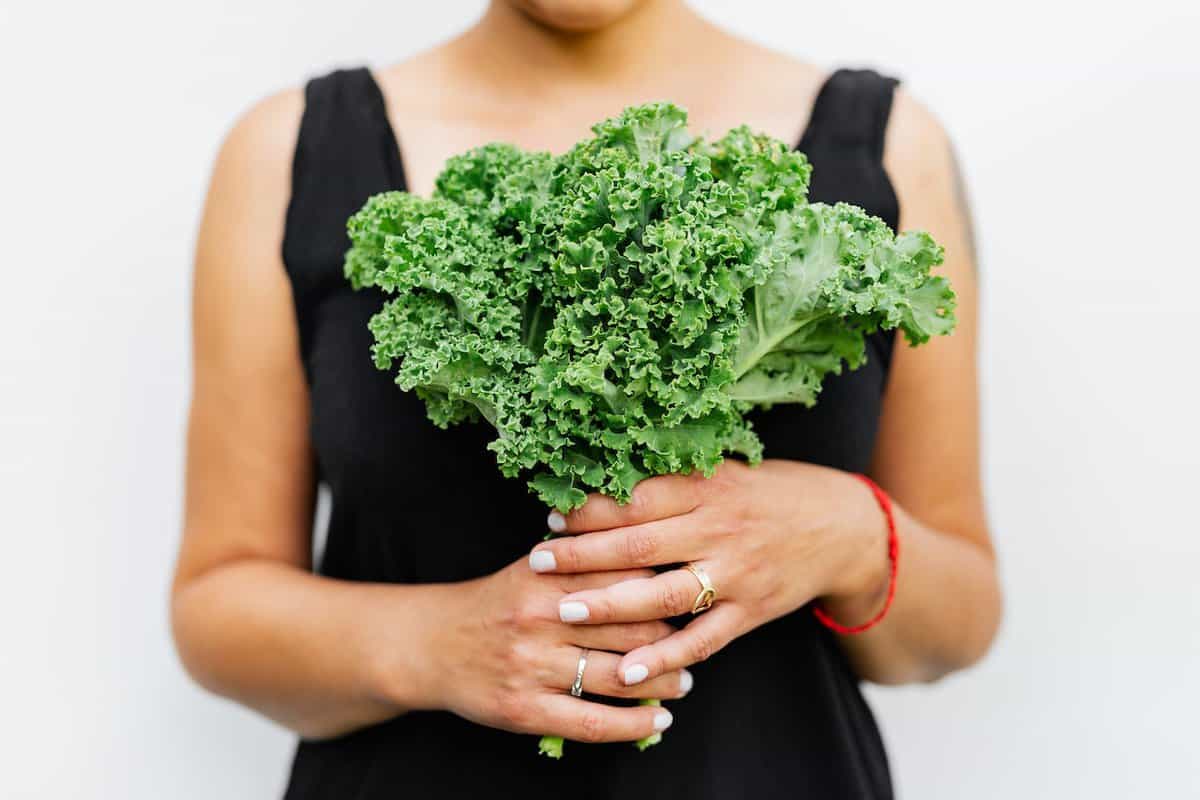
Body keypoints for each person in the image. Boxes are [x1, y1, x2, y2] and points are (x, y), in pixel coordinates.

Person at [171, 1, 1001, 797]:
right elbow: (219, 605)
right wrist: (437, 644)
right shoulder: (286, 152)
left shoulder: (892, 145)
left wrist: (850, 534)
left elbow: (959, 618)